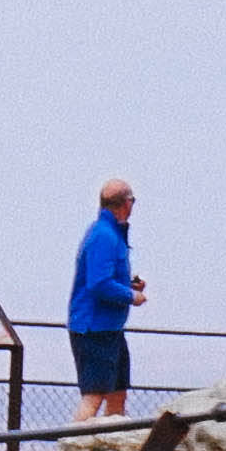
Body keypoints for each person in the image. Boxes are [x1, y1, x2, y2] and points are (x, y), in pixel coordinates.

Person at [69, 178, 146, 420]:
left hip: (110, 329)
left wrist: (128, 283)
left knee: (117, 392)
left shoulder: (110, 234)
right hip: (94, 330)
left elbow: (106, 275)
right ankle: (74, 448)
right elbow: (99, 283)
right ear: (126, 203)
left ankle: (112, 448)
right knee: (94, 395)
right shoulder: (104, 236)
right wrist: (131, 295)